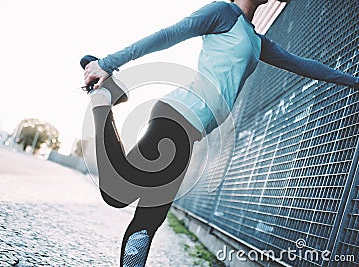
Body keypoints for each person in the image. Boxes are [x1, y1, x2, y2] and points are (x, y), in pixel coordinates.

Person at [82, 0, 359, 266]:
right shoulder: (223, 13)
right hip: (175, 115)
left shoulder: (255, 40)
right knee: (119, 195)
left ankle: (107, 98)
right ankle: (104, 98)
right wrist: (107, 63)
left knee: (148, 219)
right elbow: (169, 34)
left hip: (190, 132)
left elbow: (303, 65)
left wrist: (354, 82)